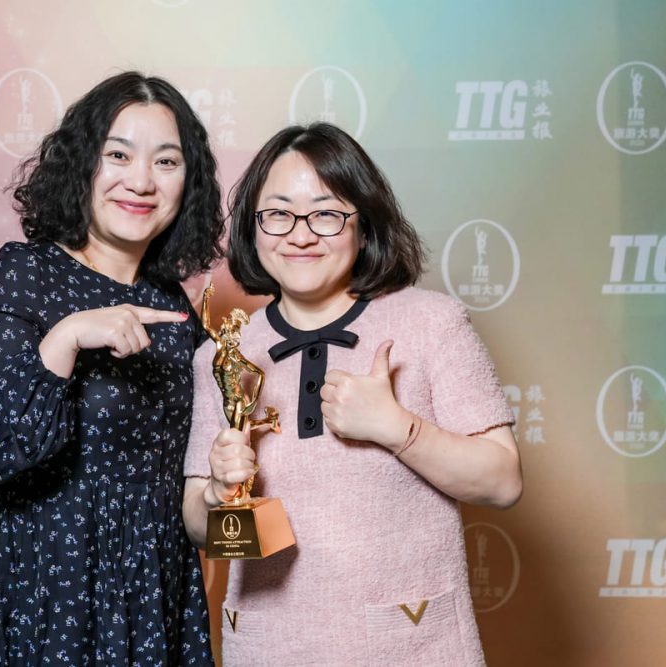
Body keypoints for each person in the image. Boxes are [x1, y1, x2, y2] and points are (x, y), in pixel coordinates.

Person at [182, 123, 523, 666]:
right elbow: (200, 527)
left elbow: (502, 481)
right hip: (267, 648)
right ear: (252, 227)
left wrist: (397, 429)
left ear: (363, 226)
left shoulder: (432, 324)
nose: (300, 235)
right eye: (278, 214)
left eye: (325, 214)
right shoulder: (222, 355)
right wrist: (218, 494)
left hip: (410, 645)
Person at [0, 71, 224, 665]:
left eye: (166, 162)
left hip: (156, 584)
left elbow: (194, 471)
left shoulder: (174, 306)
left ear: (189, 183)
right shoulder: (25, 274)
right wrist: (68, 337)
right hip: (51, 583)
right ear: (81, 164)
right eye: (118, 155)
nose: (141, 181)